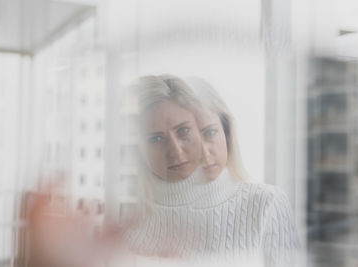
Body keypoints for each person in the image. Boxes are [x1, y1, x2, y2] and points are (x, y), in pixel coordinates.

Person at [124, 75, 300, 266]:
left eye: (209, 132)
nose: (177, 151)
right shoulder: (121, 219)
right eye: (156, 139)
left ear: (227, 130)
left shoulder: (266, 205)